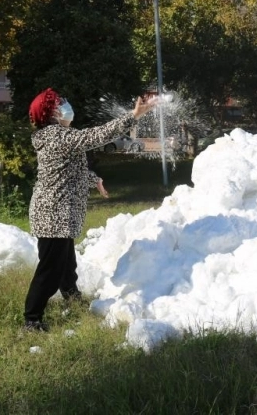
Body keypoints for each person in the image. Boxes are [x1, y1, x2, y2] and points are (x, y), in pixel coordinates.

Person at [23, 87, 157, 332]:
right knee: (50, 270)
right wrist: (133, 115)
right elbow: (96, 136)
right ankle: (32, 319)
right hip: (53, 214)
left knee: (66, 264)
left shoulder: (60, 136)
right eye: (60, 102)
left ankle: (72, 300)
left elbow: (66, 171)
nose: (65, 105)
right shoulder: (56, 136)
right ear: (50, 112)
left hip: (61, 214)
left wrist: (92, 178)